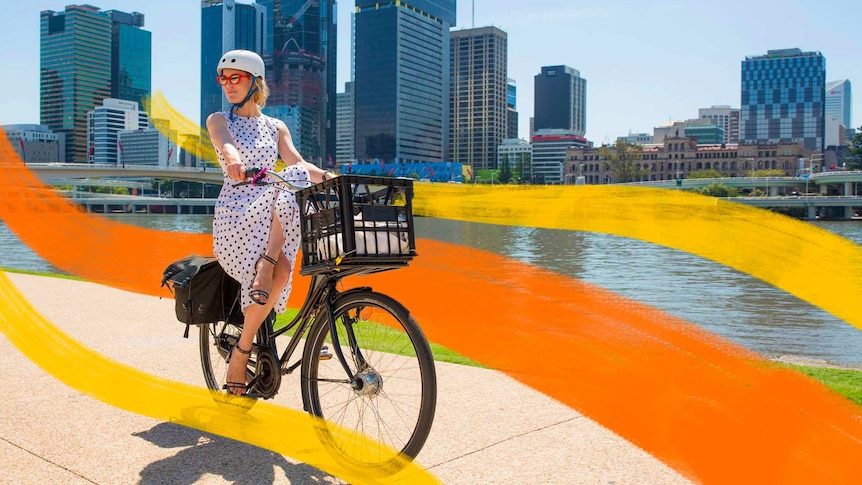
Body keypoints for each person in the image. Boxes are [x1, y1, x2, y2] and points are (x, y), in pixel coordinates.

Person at [206, 49, 333, 395]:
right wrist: (232, 161)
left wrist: (330, 176)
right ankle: (241, 352)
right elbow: (226, 144)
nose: (228, 85)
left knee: (280, 270)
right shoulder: (219, 119)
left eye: (236, 78)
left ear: (255, 83)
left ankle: (269, 263)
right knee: (287, 185)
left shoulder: (276, 127)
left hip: (273, 212)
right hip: (237, 214)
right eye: (224, 78)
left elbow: (298, 163)